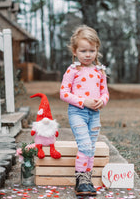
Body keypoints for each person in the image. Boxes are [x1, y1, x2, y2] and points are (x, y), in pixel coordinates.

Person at [60, 25, 109, 196]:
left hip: (94, 114)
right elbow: (64, 93)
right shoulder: (72, 70)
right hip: (77, 113)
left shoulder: (100, 71)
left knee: (92, 147)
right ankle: (80, 180)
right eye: (83, 51)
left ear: (97, 50)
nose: (88, 55)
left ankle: (87, 180)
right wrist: (84, 101)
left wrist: (101, 101)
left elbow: (105, 93)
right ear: (75, 51)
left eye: (92, 50)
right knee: (85, 145)